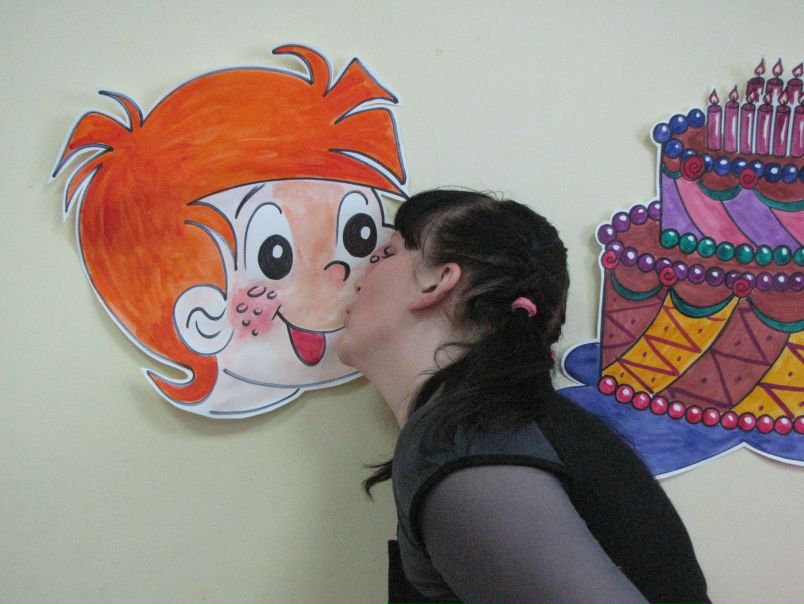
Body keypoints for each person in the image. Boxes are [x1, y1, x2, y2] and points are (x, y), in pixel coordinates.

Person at [336, 189, 711, 604]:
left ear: (437, 280)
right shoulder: (491, 429)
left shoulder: (467, 439)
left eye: (386, 254)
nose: (359, 277)